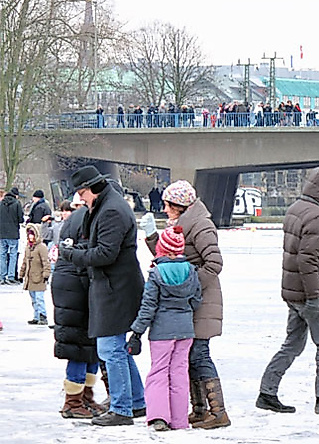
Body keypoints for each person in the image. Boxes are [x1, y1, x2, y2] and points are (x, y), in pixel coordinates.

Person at [257, 167, 319, 415]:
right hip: (312, 292)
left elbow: (300, 252)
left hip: (293, 290)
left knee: (292, 343)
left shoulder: (296, 210)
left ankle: (267, 392)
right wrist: (314, 297)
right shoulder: (318, 218)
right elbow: (307, 260)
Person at [58, 167, 146, 426]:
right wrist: (79, 248)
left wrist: (71, 255)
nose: (80, 199)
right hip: (115, 286)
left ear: (92, 187)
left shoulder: (110, 211)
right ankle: (136, 402)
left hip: (116, 289)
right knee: (117, 348)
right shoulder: (106, 205)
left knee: (110, 349)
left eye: (82, 193)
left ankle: (122, 409)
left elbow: (105, 254)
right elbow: (99, 246)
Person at [145, 180, 230, 429]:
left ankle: (218, 412)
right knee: (190, 356)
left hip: (203, 300)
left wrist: (188, 286)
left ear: (179, 205)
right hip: (189, 299)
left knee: (199, 354)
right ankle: (200, 410)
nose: (164, 209)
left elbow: (214, 264)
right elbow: (168, 259)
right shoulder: (180, 224)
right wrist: (152, 238)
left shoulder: (201, 225)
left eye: (167, 205)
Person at [128, 226, 202, 431]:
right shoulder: (191, 271)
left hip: (162, 331)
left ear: (164, 249)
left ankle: (159, 417)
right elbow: (196, 301)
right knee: (179, 373)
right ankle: (180, 420)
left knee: (159, 372)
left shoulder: (156, 273)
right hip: (186, 330)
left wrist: (137, 332)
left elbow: (148, 306)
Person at [52, 194, 106, 419]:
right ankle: (73, 401)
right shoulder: (88, 218)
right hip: (76, 289)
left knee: (87, 348)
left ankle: (85, 396)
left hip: (71, 286)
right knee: (80, 348)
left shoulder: (76, 219)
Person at [19, 224, 50, 325]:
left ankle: (43, 316)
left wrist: (46, 274)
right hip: (30, 278)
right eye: (29, 235)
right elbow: (24, 262)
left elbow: (46, 262)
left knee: (39, 298)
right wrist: (21, 274)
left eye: (32, 234)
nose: (30, 237)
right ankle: (36, 316)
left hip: (39, 277)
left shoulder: (41, 247)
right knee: (33, 299)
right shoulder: (28, 247)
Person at [0, 186, 22, 285]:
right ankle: (11, 276)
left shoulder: (1, 203)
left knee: (2, 255)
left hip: (1, 233)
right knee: (13, 255)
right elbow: (21, 219)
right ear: (16, 195)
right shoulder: (17, 204)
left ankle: (2, 276)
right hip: (13, 233)